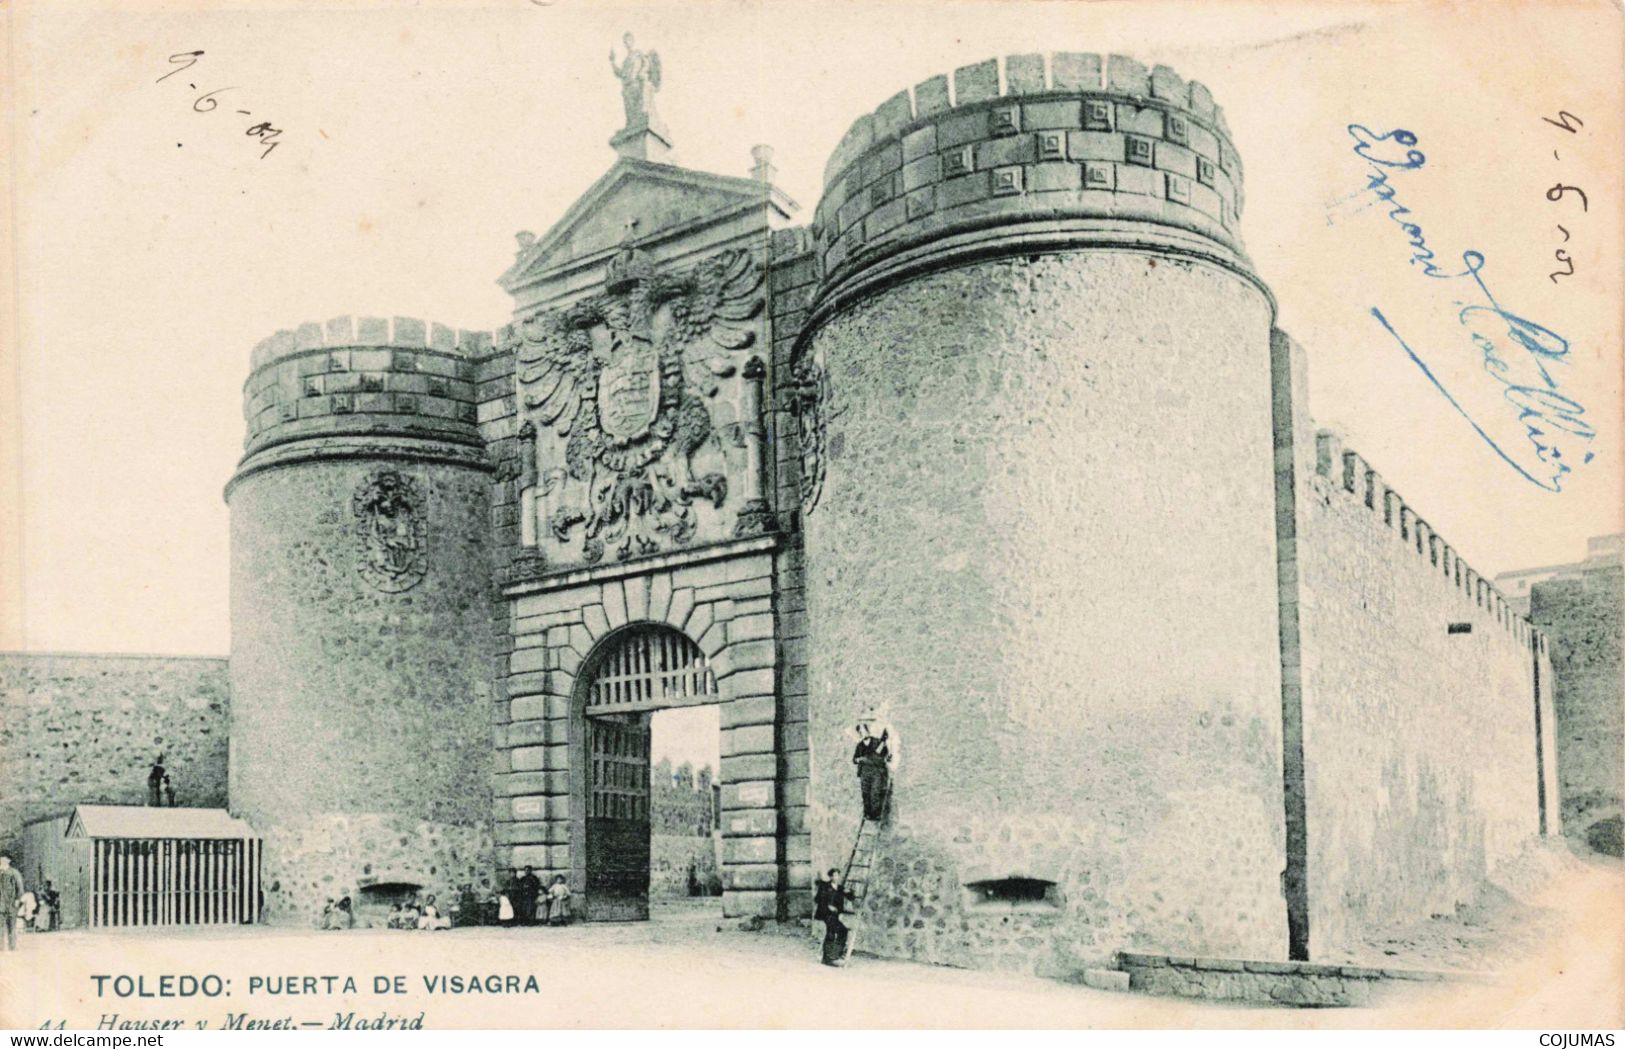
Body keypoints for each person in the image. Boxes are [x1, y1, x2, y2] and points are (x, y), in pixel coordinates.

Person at [852, 719, 897, 822]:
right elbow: (854, 759)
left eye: (865, 730)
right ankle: (867, 814)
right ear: (859, 733)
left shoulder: (877, 742)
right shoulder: (859, 746)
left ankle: (876, 815)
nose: (863, 733)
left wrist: (887, 756)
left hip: (876, 771)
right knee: (865, 793)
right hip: (864, 772)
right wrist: (860, 759)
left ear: (867, 731)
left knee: (875, 792)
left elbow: (885, 754)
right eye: (861, 731)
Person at [816, 869, 852, 966]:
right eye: (834, 875)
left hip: (835, 916)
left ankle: (837, 954)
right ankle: (827, 958)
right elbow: (818, 899)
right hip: (825, 914)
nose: (836, 878)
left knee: (843, 931)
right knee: (831, 932)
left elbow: (851, 897)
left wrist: (849, 891)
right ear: (831, 877)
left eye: (838, 876)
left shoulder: (840, 888)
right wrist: (828, 905)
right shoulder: (824, 886)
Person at [0, 856, 25, 951]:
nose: (1, 861)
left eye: (4, 859)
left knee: (12, 926)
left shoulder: (14, 873)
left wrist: (17, 900)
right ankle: (1, 948)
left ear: (9, 861)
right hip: (1, 904)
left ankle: (12, 946)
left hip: (11, 903)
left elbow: (20, 888)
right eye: (0, 859)